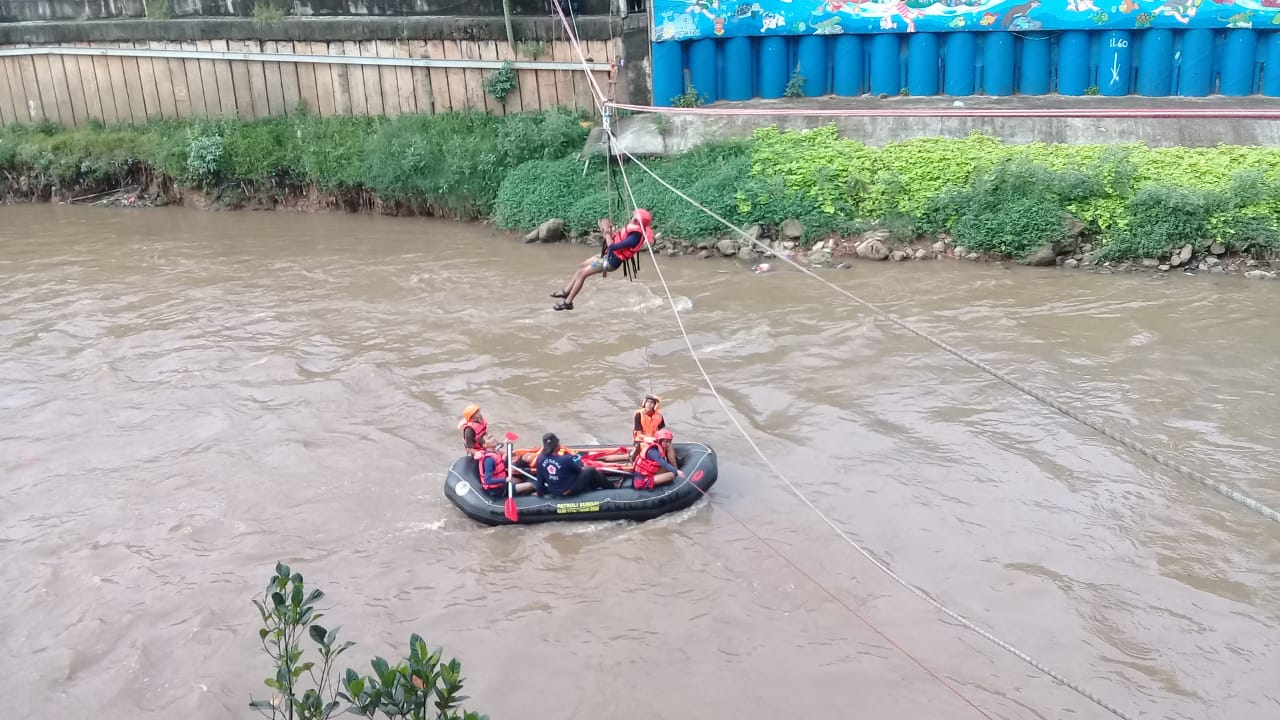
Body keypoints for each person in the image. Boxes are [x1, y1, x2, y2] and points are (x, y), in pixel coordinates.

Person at [550, 208, 654, 311]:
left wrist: (607, 231)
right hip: (607, 256)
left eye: (634, 217)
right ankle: (566, 291)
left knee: (582, 273)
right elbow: (615, 240)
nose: (631, 218)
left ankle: (568, 302)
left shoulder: (634, 238)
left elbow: (612, 247)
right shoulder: (634, 229)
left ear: (637, 221)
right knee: (582, 266)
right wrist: (607, 231)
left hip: (610, 261)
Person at [534, 432, 618, 496]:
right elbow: (579, 471)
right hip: (568, 491)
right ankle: (612, 487)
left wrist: (539, 494)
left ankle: (594, 486)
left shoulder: (540, 459)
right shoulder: (565, 459)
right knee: (591, 471)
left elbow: (540, 481)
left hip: (554, 491)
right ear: (556, 446)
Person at [475, 432, 535, 498]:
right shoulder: (489, 460)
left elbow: (506, 465)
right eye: (489, 438)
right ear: (484, 445)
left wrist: (510, 447)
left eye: (492, 436)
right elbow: (488, 480)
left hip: (502, 484)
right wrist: (505, 480)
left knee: (521, 480)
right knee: (531, 485)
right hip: (497, 490)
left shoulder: (495, 453)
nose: (493, 438)